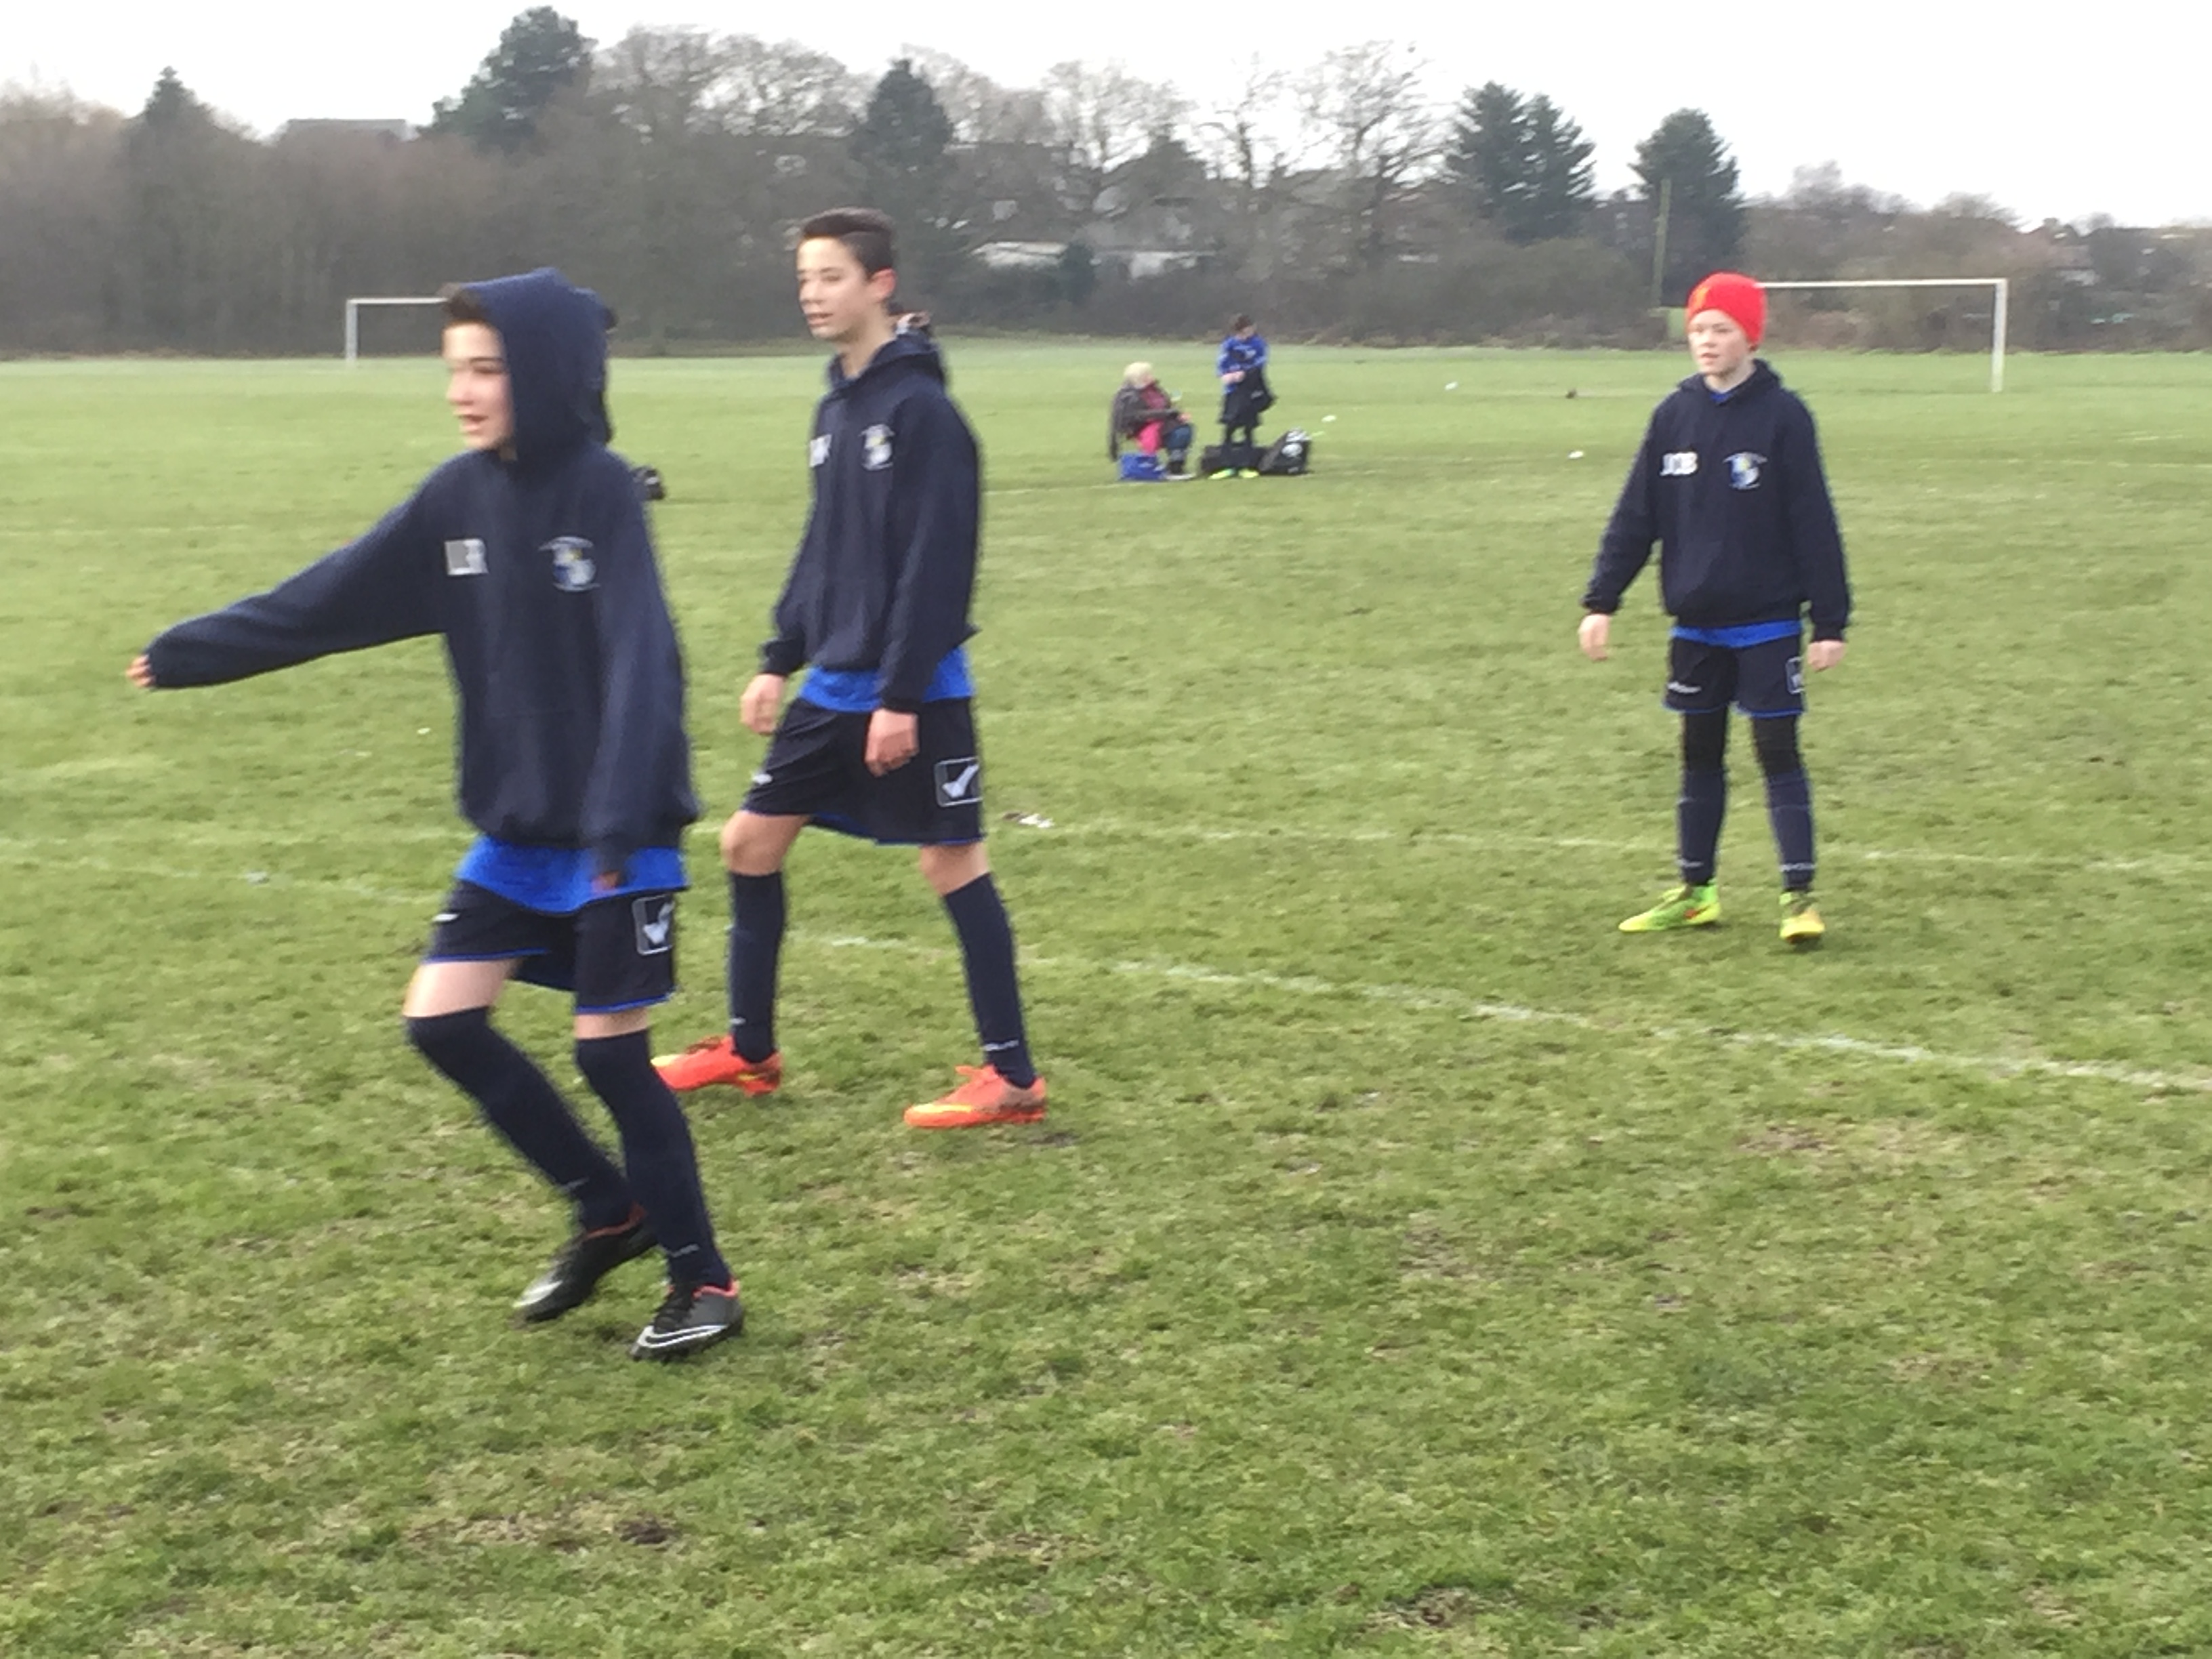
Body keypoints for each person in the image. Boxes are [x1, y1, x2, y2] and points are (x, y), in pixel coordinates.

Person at [127, 270, 743, 1360]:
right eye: (455, 369)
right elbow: (331, 595)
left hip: (620, 828)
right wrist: (192, 652)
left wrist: (617, 822)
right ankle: (609, 1210)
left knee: (610, 1057)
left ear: (543, 374)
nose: (463, 391)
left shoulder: (600, 491)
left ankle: (705, 1283)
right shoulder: (454, 496)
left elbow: (644, 659)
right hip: (517, 831)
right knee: (442, 1022)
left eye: (488, 369)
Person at [654, 207, 1046, 1129]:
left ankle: (1013, 1079)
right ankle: (750, 1051)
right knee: (748, 845)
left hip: (915, 690)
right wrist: (778, 658)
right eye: (804, 279)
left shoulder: (924, 412)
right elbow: (825, 548)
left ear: (880, 285)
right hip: (832, 684)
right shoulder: (834, 409)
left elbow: (937, 565)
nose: (812, 294)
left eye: (830, 277)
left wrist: (901, 697)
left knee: (952, 862)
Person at [1577, 270, 1851, 945]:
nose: (1706, 341)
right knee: (1699, 754)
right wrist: (1601, 600)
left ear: (1749, 336)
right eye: (1698, 330)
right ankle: (1696, 892)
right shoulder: (1673, 416)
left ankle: (1798, 898)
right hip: (1696, 626)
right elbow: (1636, 517)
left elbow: (1814, 522)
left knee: (1776, 752)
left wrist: (1830, 620)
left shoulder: (1784, 417)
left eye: (1721, 330)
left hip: (1767, 623)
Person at [1109, 362, 1193, 479]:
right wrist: (1168, 414)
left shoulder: (1155, 390)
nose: (1152, 376)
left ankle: (1176, 465)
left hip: (1161, 423)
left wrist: (1177, 415)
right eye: (1148, 374)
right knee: (1180, 433)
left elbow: (1166, 407)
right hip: (1139, 428)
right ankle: (1173, 468)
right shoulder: (1127, 395)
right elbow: (1133, 416)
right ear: (1140, 377)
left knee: (1184, 428)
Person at [1213, 314, 1273, 477]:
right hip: (1233, 392)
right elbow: (1222, 366)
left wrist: (1244, 374)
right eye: (1241, 333)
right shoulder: (1229, 345)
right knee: (1229, 427)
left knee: (1248, 428)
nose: (1245, 335)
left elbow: (1260, 364)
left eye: (1247, 331)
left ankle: (1246, 466)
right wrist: (1226, 376)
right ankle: (1227, 466)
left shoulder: (1258, 344)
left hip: (1250, 391)